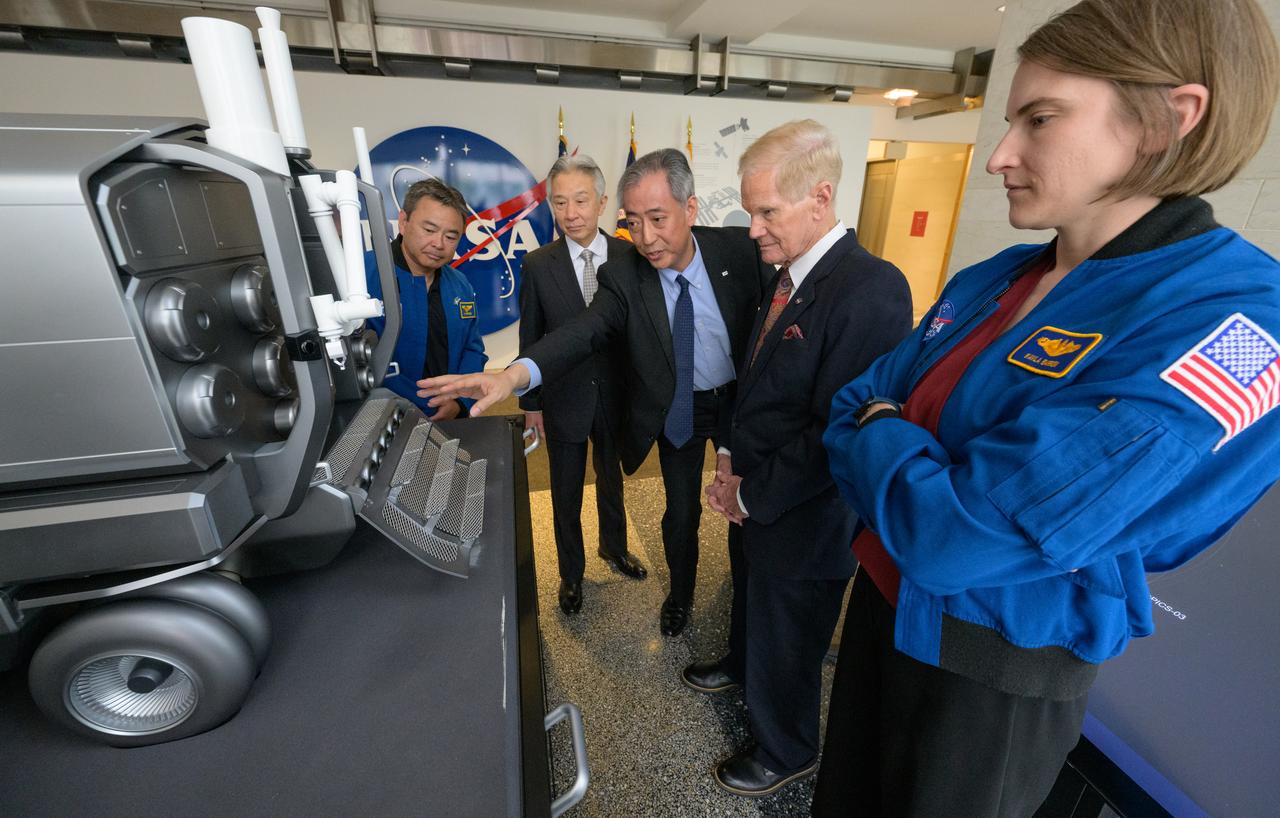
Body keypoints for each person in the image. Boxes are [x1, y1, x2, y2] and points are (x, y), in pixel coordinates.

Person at [811, 1, 1280, 815]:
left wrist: (885, 431)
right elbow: (847, 401)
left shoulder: (1240, 325)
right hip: (880, 616)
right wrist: (912, 457)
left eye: (1040, 119)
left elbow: (959, 538)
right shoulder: (999, 276)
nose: (1000, 156)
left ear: (1170, 118)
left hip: (989, 676)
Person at [420, 148, 771, 636]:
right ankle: (681, 596)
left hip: (739, 403)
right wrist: (513, 377)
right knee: (680, 512)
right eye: (634, 222)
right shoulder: (625, 273)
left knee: (749, 510)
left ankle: (749, 602)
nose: (646, 238)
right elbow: (581, 332)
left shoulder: (741, 250)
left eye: (658, 219)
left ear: (690, 210)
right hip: (679, 407)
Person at [689, 120, 912, 798]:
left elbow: (832, 429)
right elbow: (756, 378)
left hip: (807, 510)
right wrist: (730, 460)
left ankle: (787, 748)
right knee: (757, 601)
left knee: (792, 633)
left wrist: (750, 496)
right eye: (750, 209)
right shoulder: (786, 273)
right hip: (757, 487)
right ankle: (741, 663)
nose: (751, 227)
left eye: (766, 212)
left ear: (820, 197)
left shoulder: (871, 289)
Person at [519, 154, 647, 616]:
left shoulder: (632, 256)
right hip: (564, 397)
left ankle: (613, 547)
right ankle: (570, 574)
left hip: (617, 396)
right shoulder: (537, 265)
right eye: (559, 203)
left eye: (580, 200)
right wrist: (531, 403)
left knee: (612, 480)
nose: (570, 212)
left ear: (602, 201)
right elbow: (530, 337)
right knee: (565, 488)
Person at [365, 178, 487, 419]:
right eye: (429, 230)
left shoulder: (460, 285)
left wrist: (459, 402)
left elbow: (472, 350)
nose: (438, 244)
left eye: (451, 236)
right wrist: (415, 408)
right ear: (403, 222)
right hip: (380, 419)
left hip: (450, 417)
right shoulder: (362, 275)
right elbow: (359, 359)